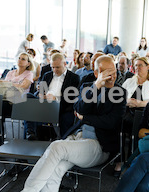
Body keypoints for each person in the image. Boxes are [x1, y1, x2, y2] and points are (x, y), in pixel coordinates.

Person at [21, 55, 127, 192]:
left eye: (113, 72)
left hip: (99, 144)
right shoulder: (88, 87)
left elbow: (111, 122)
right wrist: (96, 87)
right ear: (96, 73)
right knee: (57, 169)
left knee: (56, 147)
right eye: (106, 73)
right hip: (77, 137)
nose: (112, 76)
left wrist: (85, 118)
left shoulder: (120, 93)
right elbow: (79, 108)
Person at [25, 53, 80, 140]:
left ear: (65, 64)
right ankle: (30, 132)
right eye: (52, 67)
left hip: (61, 106)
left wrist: (56, 99)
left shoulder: (74, 78)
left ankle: (60, 139)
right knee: (28, 96)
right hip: (44, 103)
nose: (55, 70)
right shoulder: (47, 75)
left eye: (57, 67)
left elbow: (72, 98)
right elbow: (40, 92)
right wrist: (41, 95)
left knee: (67, 117)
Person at [114, 57, 149, 175]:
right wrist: (127, 101)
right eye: (135, 65)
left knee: (136, 126)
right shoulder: (129, 81)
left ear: (148, 67)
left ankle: (134, 160)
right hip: (127, 111)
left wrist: (139, 103)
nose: (137, 68)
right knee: (117, 126)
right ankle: (120, 160)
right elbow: (119, 98)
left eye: (140, 65)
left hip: (145, 114)